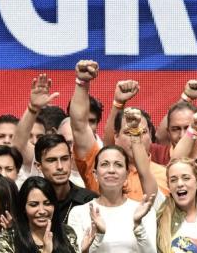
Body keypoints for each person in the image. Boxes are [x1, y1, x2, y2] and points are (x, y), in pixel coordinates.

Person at [71, 64, 169, 200]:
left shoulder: (169, 176)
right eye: (129, 132)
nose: (137, 137)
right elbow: (79, 125)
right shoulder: (100, 169)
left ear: (151, 137)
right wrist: (82, 82)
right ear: (116, 136)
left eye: (143, 132)